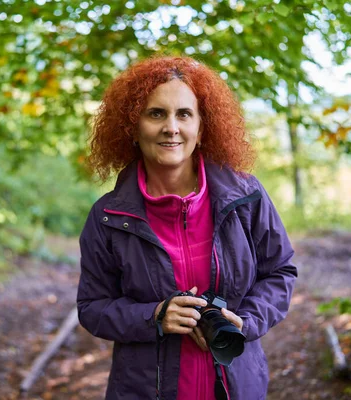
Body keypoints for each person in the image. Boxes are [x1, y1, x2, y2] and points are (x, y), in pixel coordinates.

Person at [77, 56, 297, 400]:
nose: (171, 127)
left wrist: (247, 322)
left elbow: (280, 272)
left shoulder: (246, 197)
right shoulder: (107, 216)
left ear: (202, 126)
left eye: (184, 114)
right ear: (132, 127)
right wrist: (154, 316)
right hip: (143, 390)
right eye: (156, 114)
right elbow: (92, 308)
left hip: (237, 386)